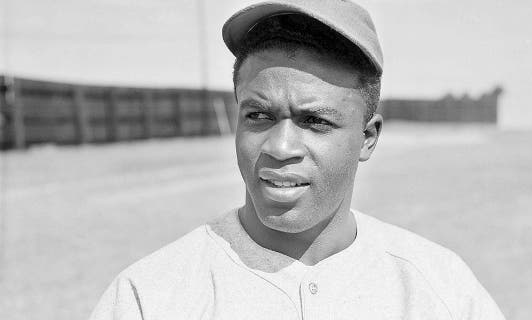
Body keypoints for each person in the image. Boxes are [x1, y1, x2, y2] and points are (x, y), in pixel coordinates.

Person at [90, 0, 506, 319]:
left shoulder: (439, 290)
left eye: (315, 121)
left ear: (367, 136)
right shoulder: (151, 297)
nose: (280, 146)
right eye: (258, 116)